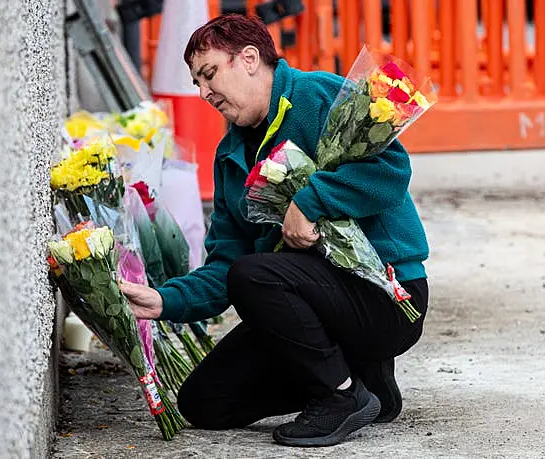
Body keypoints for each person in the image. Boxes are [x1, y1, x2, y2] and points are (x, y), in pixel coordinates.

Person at [119, 14, 430, 447]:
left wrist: (310, 201)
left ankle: (341, 397)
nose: (205, 92)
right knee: (205, 402)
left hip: (388, 296)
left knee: (255, 274)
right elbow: (225, 264)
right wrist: (164, 299)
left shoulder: (317, 96)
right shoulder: (230, 155)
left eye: (209, 75)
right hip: (308, 300)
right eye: (197, 83)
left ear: (249, 58)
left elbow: (391, 169)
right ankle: (363, 378)